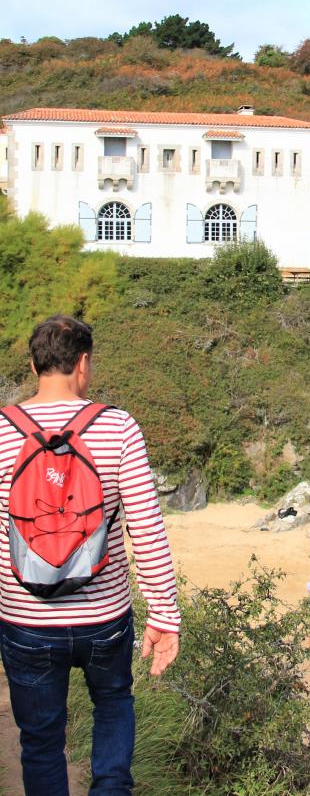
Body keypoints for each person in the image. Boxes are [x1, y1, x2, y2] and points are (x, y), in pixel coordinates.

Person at [0, 315, 181, 796]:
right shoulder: (117, 427)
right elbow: (145, 526)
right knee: (114, 704)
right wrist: (164, 615)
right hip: (104, 616)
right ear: (83, 363)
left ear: (34, 364)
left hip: (26, 620)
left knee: (40, 743)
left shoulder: (1, 429)